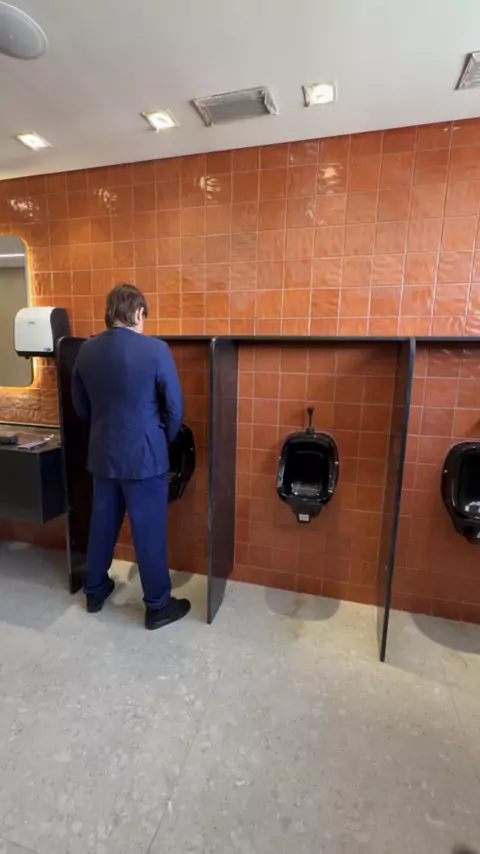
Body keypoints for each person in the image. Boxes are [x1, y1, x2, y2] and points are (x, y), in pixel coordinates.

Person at [71, 283, 191, 630]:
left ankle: (94, 591)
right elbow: (175, 408)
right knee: (149, 532)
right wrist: (160, 439)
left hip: (103, 456)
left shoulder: (86, 351)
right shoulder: (156, 350)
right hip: (144, 458)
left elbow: (81, 406)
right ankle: (157, 606)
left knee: (102, 525)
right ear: (138, 313)